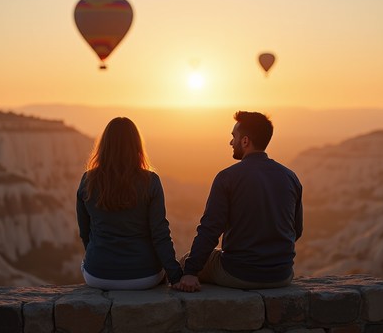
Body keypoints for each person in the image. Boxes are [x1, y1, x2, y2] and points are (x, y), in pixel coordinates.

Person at [175, 111, 303, 292]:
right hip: (282, 275)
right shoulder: (291, 177)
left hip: (238, 273)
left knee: (183, 262)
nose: (230, 142)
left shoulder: (227, 177)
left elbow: (210, 229)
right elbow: (296, 230)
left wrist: (190, 271)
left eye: (233, 136)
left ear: (245, 141)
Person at [76, 117, 182, 290]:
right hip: (144, 276)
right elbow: (160, 233)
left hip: (97, 275)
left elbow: (84, 232)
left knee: (87, 264)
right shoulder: (151, 181)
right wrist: (176, 276)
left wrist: (102, 259)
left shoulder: (88, 180)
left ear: (104, 146)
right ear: (137, 146)